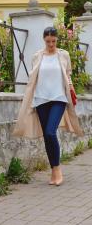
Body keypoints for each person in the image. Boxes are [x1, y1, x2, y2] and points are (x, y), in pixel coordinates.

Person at [12, 26, 84, 186]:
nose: (51, 44)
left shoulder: (63, 54)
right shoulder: (37, 56)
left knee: (51, 132)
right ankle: (53, 170)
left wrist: (71, 90)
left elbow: (68, 75)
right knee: (46, 135)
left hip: (59, 98)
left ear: (57, 40)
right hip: (41, 100)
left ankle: (57, 170)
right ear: (44, 40)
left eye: (53, 41)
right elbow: (34, 78)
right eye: (48, 41)